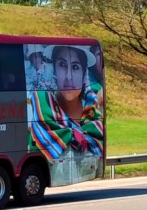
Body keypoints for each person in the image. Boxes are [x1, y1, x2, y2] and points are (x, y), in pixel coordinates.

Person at [28, 45, 104, 184]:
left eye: (75, 67)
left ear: (83, 75)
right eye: (62, 65)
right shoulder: (41, 115)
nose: (68, 77)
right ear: (54, 70)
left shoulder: (94, 114)